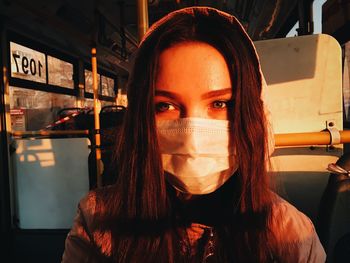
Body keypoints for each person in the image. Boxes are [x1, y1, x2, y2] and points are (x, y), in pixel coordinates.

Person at [62, 7, 326, 263]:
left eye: (220, 104)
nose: (192, 137)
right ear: (141, 120)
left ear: (252, 115)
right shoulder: (99, 222)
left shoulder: (293, 235)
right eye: (164, 106)